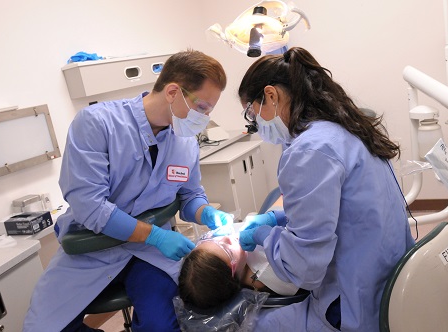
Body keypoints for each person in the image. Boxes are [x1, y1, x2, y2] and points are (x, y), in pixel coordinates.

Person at [23, 49, 233, 332]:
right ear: (173, 92)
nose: (205, 117)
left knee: (162, 326)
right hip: (94, 247)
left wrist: (205, 212)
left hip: (149, 255)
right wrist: (156, 235)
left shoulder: (185, 142)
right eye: (203, 107)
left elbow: (189, 195)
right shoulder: (98, 124)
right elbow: (90, 206)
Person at [236, 47, 415, 331]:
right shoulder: (342, 127)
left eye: (251, 112)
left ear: (270, 95)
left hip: (355, 305)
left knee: (252, 325)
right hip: (388, 280)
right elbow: (342, 209)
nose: (254, 123)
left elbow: (302, 269)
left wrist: (263, 235)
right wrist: (277, 219)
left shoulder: (310, 150)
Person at [178, 225, 300, 310]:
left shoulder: (243, 261)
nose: (226, 238)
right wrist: (268, 235)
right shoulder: (270, 273)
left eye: (213, 240)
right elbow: (307, 256)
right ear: (231, 275)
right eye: (226, 249)